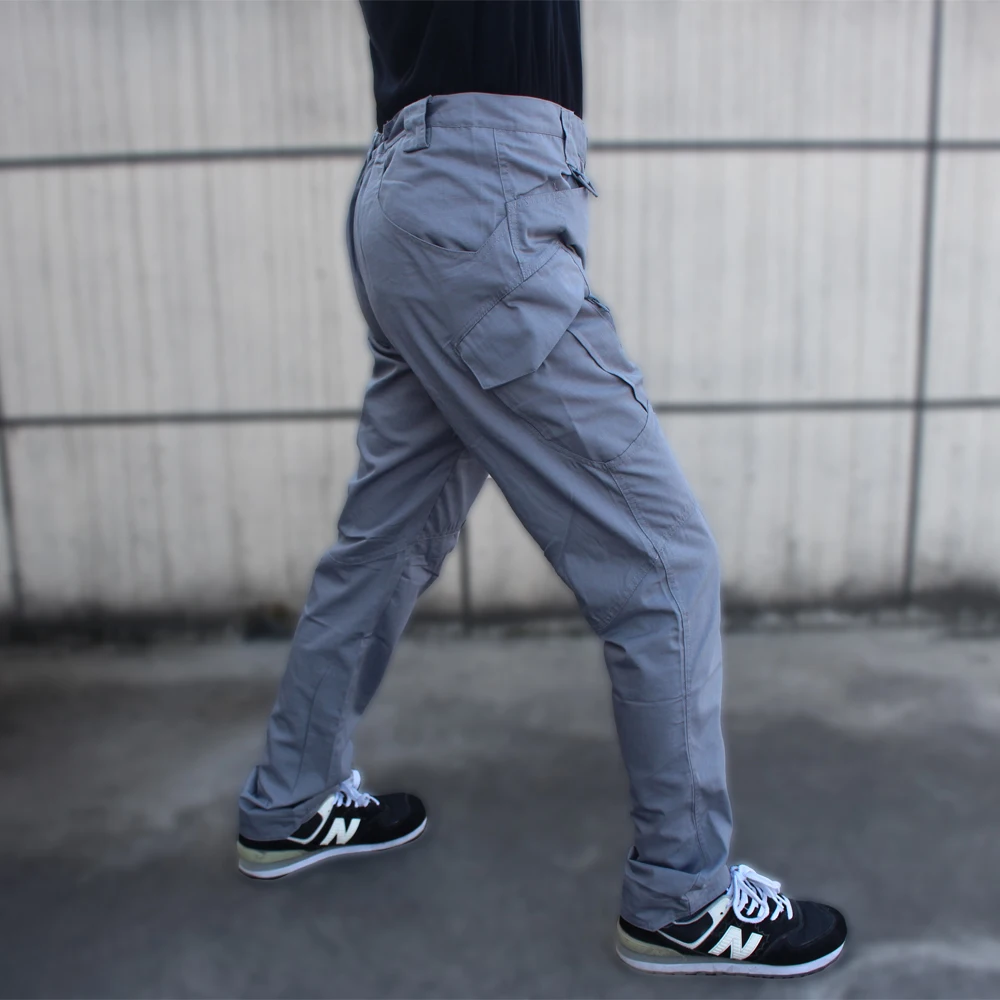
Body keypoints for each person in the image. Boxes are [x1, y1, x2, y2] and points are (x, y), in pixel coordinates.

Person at [236, 0, 847, 978]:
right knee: (664, 561)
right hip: (483, 203)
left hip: (413, 193)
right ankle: (682, 897)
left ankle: (291, 795)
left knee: (384, 543)